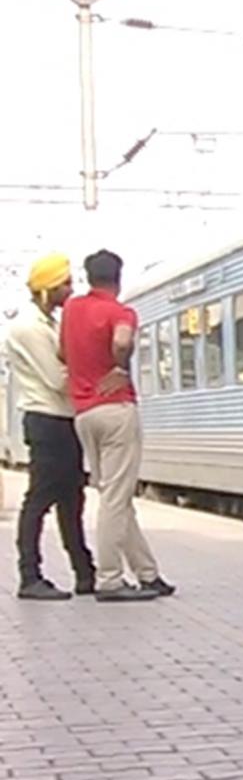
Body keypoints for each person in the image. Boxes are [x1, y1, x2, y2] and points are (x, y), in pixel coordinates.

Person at [60, 249, 172, 602]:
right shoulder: (121, 312)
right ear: (118, 277)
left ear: (87, 276)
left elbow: (63, 354)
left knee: (116, 497)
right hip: (115, 410)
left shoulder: (73, 310)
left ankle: (147, 573)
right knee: (115, 498)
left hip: (84, 414)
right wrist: (120, 366)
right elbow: (122, 340)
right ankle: (109, 579)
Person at [2, 254, 96, 600]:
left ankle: (85, 573)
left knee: (72, 499)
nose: (69, 290)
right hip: (47, 421)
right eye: (63, 284)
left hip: (62, 420)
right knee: (40, 498)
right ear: (45, 290)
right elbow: (57, 380)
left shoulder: (47, 322)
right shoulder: (29, 327)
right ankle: (30, 576)